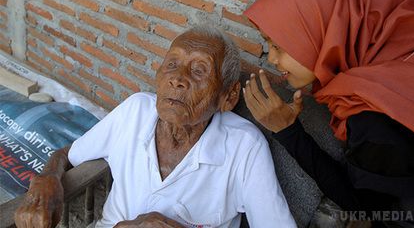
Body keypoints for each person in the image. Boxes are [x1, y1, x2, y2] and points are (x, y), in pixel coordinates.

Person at [14, 26, 297, 228]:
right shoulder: (136, 110)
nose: (178, 79)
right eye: (172, 64)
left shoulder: (244, 146)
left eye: (199, 70)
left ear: (229, 97)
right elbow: (67, 155)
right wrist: (47, 179)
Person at [242, 0, 414, 227]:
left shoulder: (375, 116)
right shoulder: (401, 52)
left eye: (279, 46)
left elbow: (368, 209)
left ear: (326, 33)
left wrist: (289, 132)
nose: (272, 59)